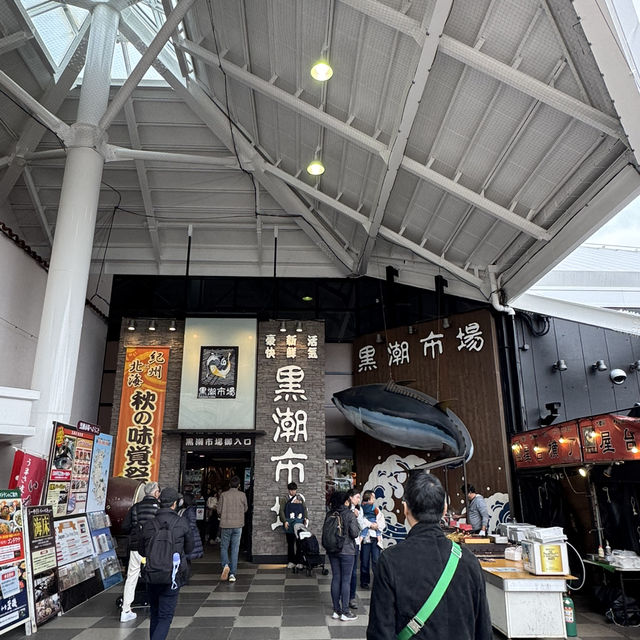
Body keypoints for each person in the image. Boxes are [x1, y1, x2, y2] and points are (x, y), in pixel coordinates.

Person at [367, 471, 491, 640]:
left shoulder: (390, 561)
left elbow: (380, 633)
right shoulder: (469, 561)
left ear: (405, 508)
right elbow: (483, 631)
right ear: (444, 509)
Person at [139, 487, 193, 640]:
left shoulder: (150, 524)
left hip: (152, 574)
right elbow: (189, 548)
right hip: (172, 574)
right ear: (175, 504)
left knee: (155, 613)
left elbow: (141, 551)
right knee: (165, 617)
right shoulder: (181, 523)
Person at [120, 480, 161, 622]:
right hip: (153, 547)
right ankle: (155, 605)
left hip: (136, 546)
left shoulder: (135, 507)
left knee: (131, 576)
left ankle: (126, 609)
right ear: (156, 493)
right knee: (155, 574)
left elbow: (125, 526)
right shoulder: (159, 508)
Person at [326, 491, 360, 621]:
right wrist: (355, 519)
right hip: (347, 551)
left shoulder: (330, 514)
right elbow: (355, 533)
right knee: (346, 580)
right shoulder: (349, 514)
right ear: (345, 501)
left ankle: (336, 610)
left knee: (336, 578)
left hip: (333, 550)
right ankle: (345, 612)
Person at [218, 475, 248, 582]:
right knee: (235, 549)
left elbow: (219, 510)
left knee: (224, 547)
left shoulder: (223, 495)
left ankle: (225, 564)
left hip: (225, 524)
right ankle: (232, 574)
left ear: (229, 484)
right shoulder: (242, 495)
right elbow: (246, 509)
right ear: (239, 485)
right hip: (238, 525)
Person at [359, 490, 385, 588]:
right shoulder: (362, 508)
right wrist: (371, 525)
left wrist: (376, 525)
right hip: (366, 539)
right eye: (373, 497)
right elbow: (361, 521)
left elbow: (382, 522)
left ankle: (378, 582)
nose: (374, 499)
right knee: (364, 561)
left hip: (375, 539)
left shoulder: (376, 509)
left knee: (376, 561)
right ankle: (364, 582)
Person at [279, 481, 308, 570]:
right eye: (291, 490)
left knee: (299, 543)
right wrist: (284, 521)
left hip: (299, 523)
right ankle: (291, 561)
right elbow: (281, 511)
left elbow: (304, 509)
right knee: (290, 543)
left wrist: (306, 518)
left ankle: (299, 561)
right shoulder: (284, 499)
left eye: (294, 490)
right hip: (289, 523)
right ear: (288, 490)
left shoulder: (299, 498)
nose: (293, 492)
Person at [347, 487, 365, 609]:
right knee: (345, 573)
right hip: (344, 544)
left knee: (353, 572)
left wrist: (358, 517)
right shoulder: (345, 509)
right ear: (351, 498)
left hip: (355, 544)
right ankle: (343, 596)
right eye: (357, 497)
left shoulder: (359, 509)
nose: (359, 499)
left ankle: (351, 597)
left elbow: (362, 526)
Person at [178, 493, 204, 579]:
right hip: (185, 536)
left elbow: (191, 524)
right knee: (185, 558)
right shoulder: (185, 510)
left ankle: (185, 577)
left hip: (188, 537)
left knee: (186, 558)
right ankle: (184, 576)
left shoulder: (190, 511)